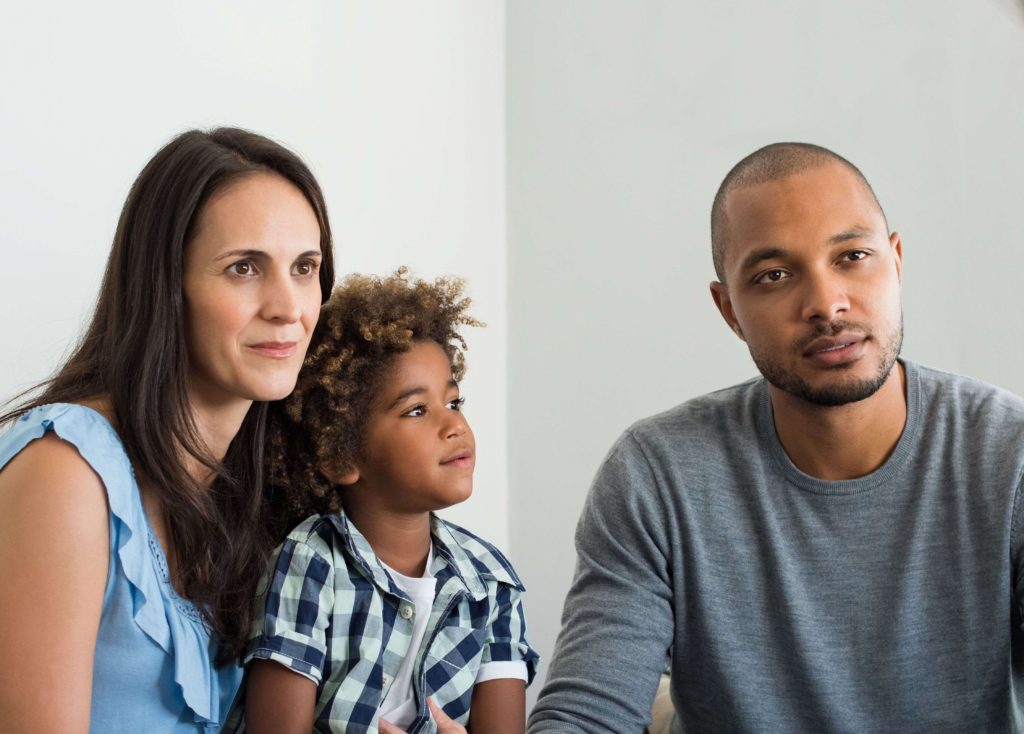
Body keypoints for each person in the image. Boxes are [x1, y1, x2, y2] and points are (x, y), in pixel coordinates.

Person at [527, 142, 1024, 733]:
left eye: (853, 256)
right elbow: (587, 715)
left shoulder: (1007, 457)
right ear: (729, 310)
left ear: (896, 262)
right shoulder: (658, 476)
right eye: (775, 276)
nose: (826, 304)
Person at [0, 127, 335, 733]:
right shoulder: (66, 472)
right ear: (166, 287)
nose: (289, 306)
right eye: (243, 268)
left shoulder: (260, 494)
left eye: (305, 267)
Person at [225, 270, 539, 734]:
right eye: (416, 410)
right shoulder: (307, 565)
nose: (453, 425)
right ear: (340, 455)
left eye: (453, 402)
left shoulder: (490, 584)